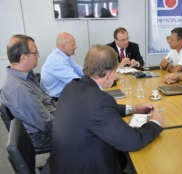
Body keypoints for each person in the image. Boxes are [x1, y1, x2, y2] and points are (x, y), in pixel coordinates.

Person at [48, 45, 164, 173]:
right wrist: (154, 123)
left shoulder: (72, 86)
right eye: (115, 72)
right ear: (109, 74)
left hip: (63, 164)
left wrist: (132, 109)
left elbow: (93, 111)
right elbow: (133, 142)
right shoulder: (100, 101)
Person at [0, 34, 55, 148]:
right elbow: (46, 123)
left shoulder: (26, 75)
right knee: (86, 134)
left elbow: (44, 99)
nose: (38, 55)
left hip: (46, 120)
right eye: (35, 52)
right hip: (39, 134)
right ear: (23, 57)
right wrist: (70, 125)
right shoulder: (18, 88)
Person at [40, 32, 83, 99]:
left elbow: (79, 70)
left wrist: (95, 76)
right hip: (56, 99)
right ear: (63, 46)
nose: (76, 47)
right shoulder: (56, 61)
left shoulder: (64, 56)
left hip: (65, 94)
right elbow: (76, 82)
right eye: (73, 44)